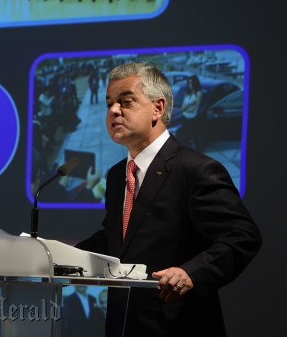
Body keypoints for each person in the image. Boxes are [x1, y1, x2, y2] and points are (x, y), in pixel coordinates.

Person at [76, 63, 261, 336]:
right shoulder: (118, 175)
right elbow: (120, 239)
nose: (114, 111)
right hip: (124, 325)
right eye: (109, 104)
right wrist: (53, 254)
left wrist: (191, 274)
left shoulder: (195, 169)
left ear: (158, 108)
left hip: (179, 324)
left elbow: (242, 235)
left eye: (126, 102)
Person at [177, 75, 203, 148]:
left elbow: (192, 109)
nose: (190, 85)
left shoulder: (198, 94)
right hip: (185, 118)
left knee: (191, 138)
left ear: (195, 84)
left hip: (193, 119)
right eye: (189, 83)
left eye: (191, 83)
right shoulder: (187, 94)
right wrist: (191, 103)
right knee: (183, 139)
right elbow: (183, 108)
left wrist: (187, 106)